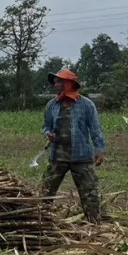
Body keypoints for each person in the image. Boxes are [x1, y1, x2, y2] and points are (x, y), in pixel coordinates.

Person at [41, 68, 106, 223]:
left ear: (70, 84)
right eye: (55, 81)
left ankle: (94, 225)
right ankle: (40, 222)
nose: (56, 84)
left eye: (59, 81)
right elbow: (46, 126)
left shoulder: (86, 105)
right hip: (58, 157)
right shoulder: (52, 105)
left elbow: (95, 129)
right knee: (45, 192)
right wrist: (47, 133)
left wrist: (99, 149)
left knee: (89, 195)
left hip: (81, 157)